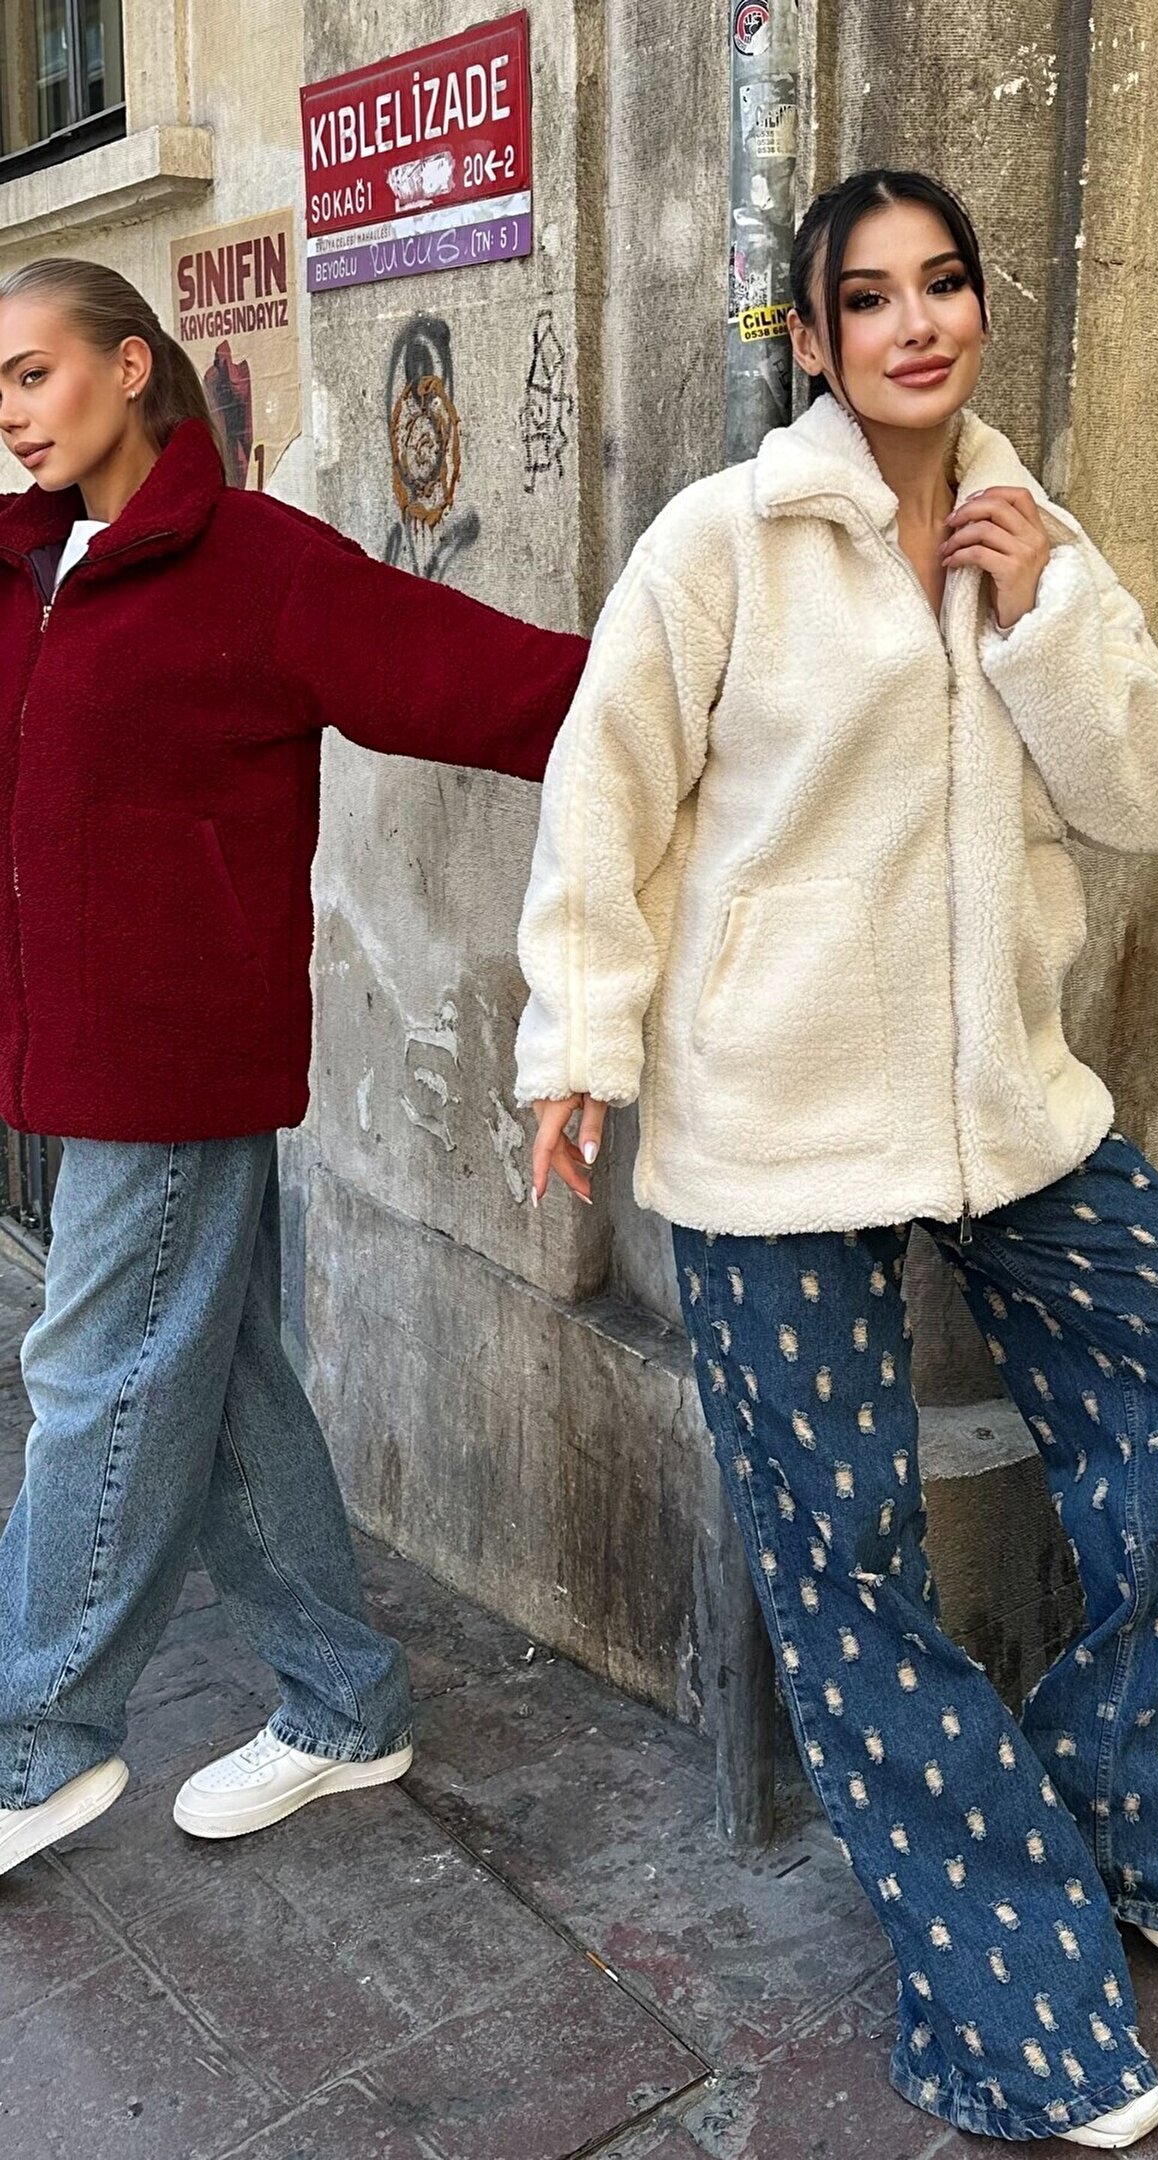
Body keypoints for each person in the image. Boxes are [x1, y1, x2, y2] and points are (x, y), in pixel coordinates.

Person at [516, 170, 1158, 2149]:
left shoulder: (1029, 533)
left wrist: (1043, 618)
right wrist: (579, 1045)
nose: (914, 322)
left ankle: (1148, 1821)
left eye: (942, 284)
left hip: (1001, 1103)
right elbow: (605, 795)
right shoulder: (723, 542)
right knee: (847, 1564)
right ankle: (1025, 2007)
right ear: (810, 338)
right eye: (866, 297)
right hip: (775, 1120)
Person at [0, 259, 587, 1876]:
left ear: (132, 368)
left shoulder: (253, 562)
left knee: (96, 1382)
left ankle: (35, 1741)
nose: (12, 412)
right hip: (69, 1058)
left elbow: (472, 673)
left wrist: (692, 701)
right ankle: (343, 1700)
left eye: (34, 373)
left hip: (177, 1063)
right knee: (222, 1384)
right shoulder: (26, 569)